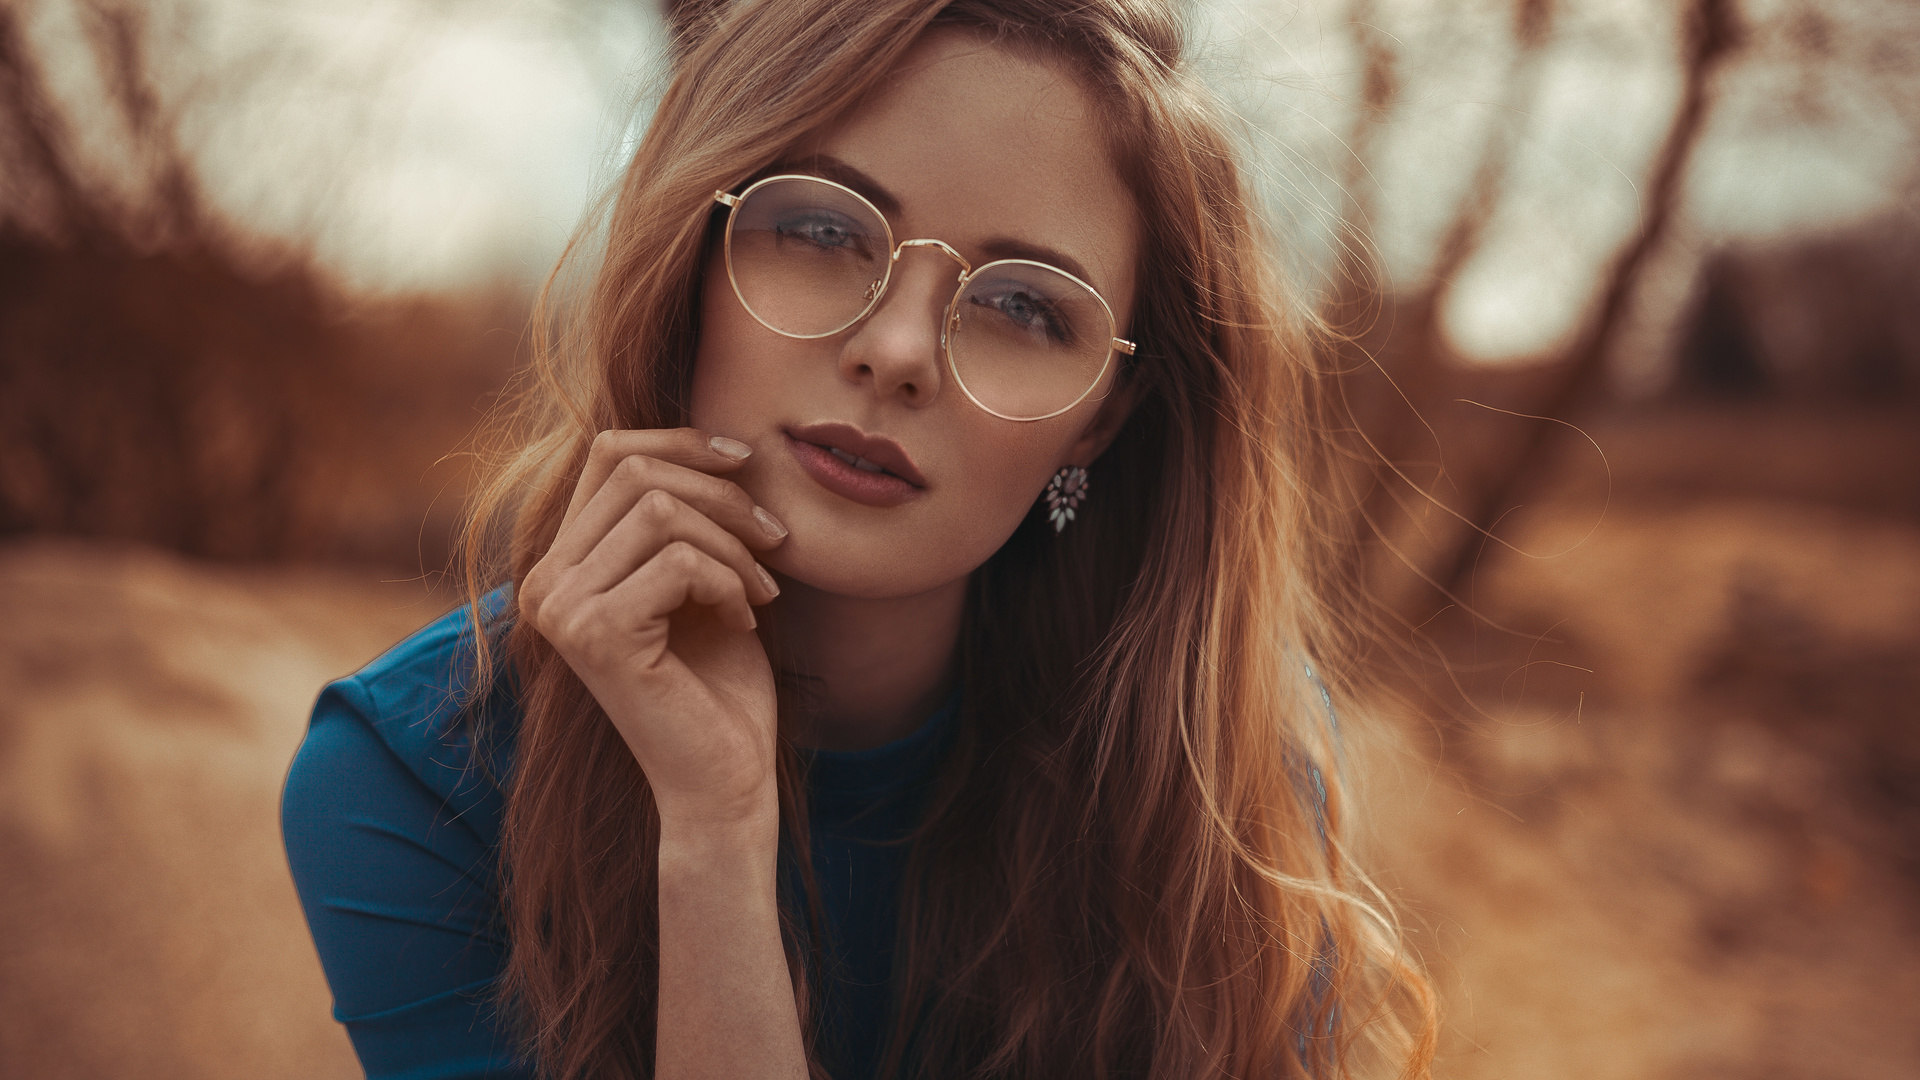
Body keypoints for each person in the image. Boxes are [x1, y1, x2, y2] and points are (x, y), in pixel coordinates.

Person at [281, 1, 1437, 1078]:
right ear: (692, 254)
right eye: (826, 228)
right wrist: (717, 837)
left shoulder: (1219, 762)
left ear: (1102, 419)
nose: (897, 351)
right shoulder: (408, 779)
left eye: (1026, 306)